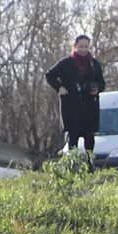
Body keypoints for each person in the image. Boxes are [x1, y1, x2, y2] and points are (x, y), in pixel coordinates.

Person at [48, 34, 105, 164]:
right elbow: (49, 75)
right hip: (71, 107)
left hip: (89, 106)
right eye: (80, 46)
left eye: (86, 46)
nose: (83, 49)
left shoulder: (94, 63)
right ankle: (72, 164)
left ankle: (90, 163)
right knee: (73, 136)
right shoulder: (66, 62)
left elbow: (101, 82)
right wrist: (59, 88)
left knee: (89, 136)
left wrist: (97, 89)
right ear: (75, 46)